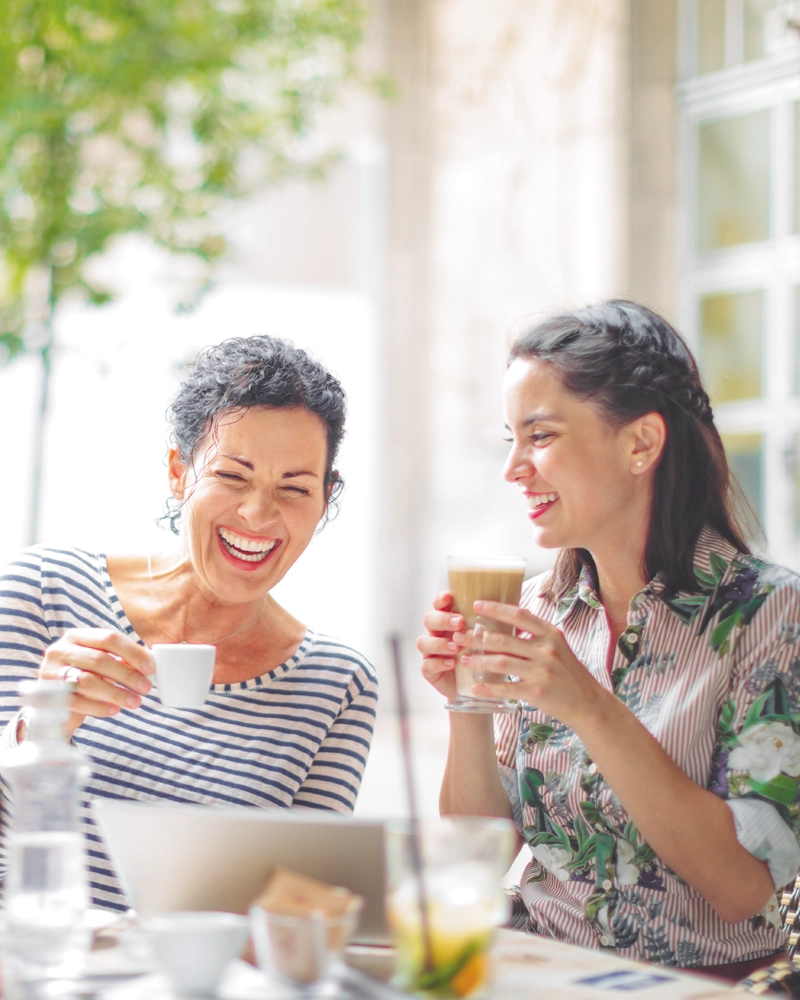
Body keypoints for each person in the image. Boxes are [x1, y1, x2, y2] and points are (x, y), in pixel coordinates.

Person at [418, 300, 800, 972]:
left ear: (641, 444)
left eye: (538, 436)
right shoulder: (540, 607)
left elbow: (743, 885)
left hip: (703, 985)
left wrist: (587, 704)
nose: (513, 468)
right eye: (510, 439)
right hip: (535, 967)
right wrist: (467, 702)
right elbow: (477, 862)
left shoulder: (771, 615)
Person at [0, 335, 378, 911]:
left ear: (324, 500)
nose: (257, 514)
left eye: (295, 488)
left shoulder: (337, 682)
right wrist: (37, 730)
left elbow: (299, 909)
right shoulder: (44, 587)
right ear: (179, 474)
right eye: (232, 476)